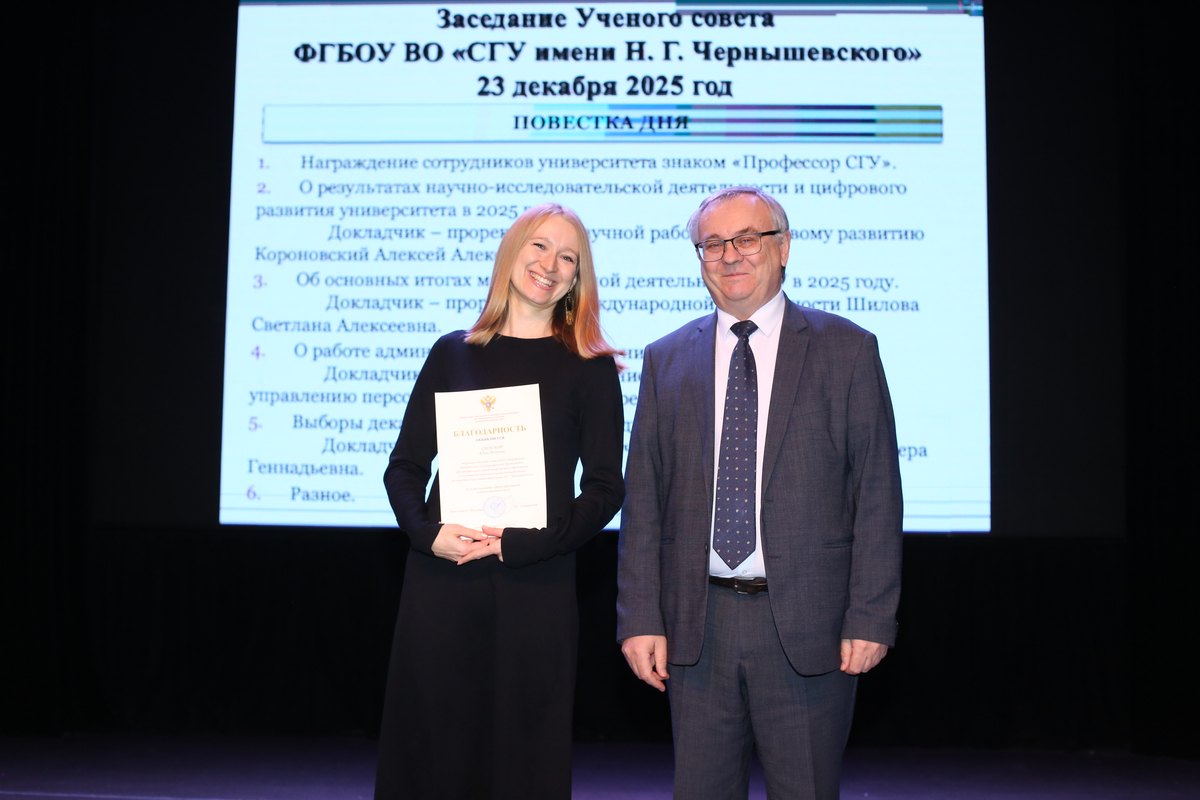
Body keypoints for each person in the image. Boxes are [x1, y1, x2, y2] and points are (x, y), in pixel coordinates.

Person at [617, 187, 902, 800]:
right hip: (697, 628)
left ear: (783, 247)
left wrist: (871, 615)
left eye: (747, 239)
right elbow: (645, 503)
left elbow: (877, 493)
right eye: (713, 244)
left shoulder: (847, 348)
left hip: (810, 626)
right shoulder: (666, 358)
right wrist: (639, 617)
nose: (730, 255)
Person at [375, 203, 626, 800]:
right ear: (512, 252)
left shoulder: (590, 367)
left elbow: (605, 488)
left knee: (522, 758)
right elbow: (405, 466)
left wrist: (528, 544)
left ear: (577, 279)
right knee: (433, 752)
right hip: (444, 575)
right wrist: (426, 532)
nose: (550, 265)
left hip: (534, 585)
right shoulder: (452, 352)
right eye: (539, 246)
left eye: (568, 258)